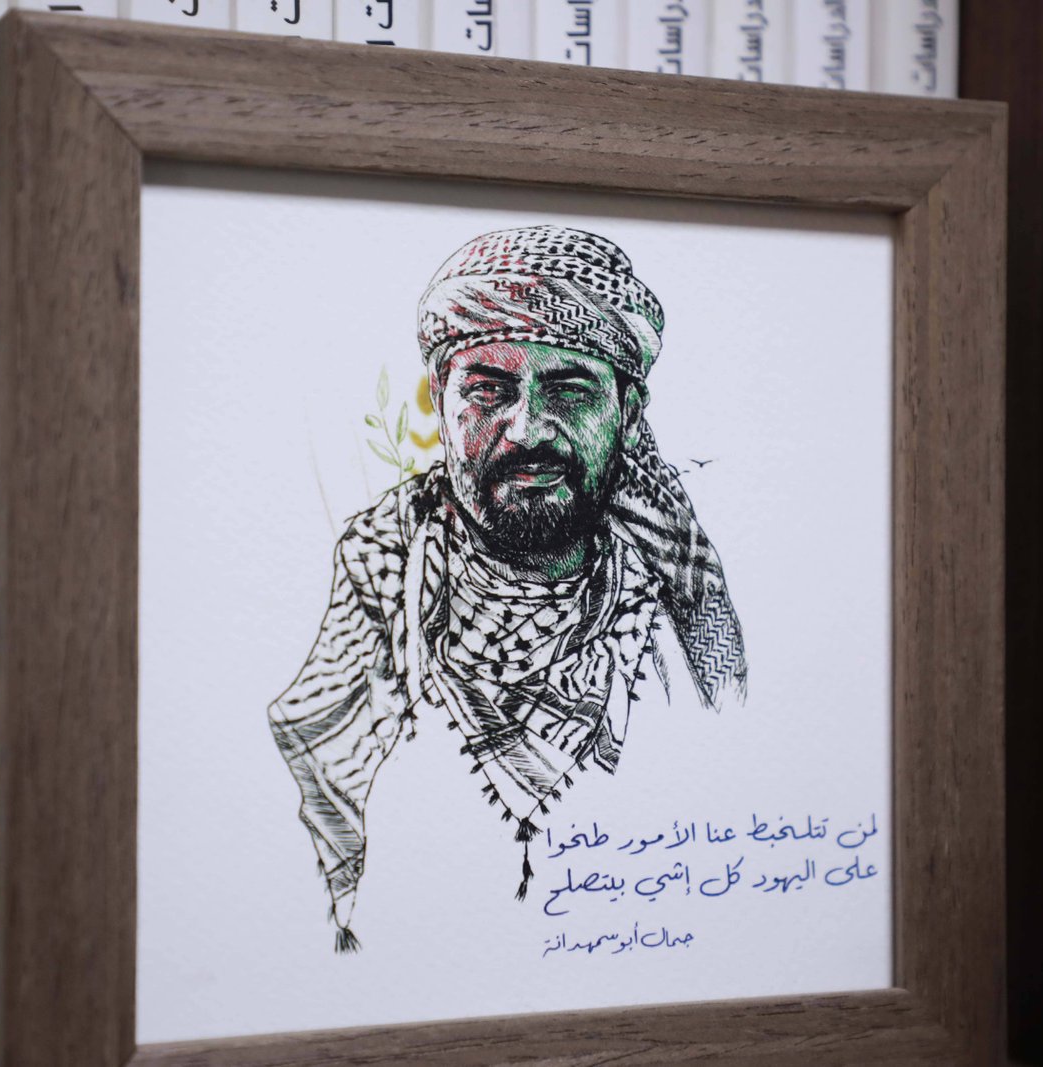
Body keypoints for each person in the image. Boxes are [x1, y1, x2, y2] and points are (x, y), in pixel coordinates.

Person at [268, 225, 746, 951]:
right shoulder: (382, 574)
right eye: (489, 389)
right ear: (440, 400)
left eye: (569, 390)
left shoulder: (677, 609)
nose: (526, 429)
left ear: (628, 413)